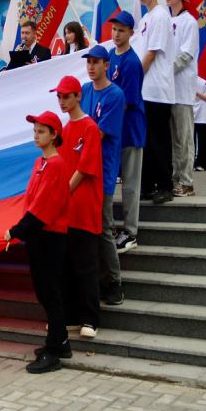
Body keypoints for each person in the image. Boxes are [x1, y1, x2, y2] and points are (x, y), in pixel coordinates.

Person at [4, 111, 69, 374]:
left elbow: (42, 209)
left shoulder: (55, 165)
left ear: (54, 135)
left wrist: (16, 230)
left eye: (41, 131)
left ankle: (54, 352)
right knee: (45, 292)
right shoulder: (40, 163)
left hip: (49, 236)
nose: (36, 135)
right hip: (38, 236)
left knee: (50, 293)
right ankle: (60, 342)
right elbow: (31, 201)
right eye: (35, 131)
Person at [52, 76, 102, 339]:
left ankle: (91, 318)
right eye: (59, 97)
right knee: (67, 265)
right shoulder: (63, 129)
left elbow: (84, 169)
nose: (62, 101)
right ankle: (71, 315)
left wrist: (62, 193)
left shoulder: (89, 128)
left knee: (86, 264)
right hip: (66, 209)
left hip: (84, 207)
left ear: (78, 96)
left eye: (66, 96)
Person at [80, 45, 125, 306]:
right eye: (88, 62)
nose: (91, 66)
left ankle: (116, 282)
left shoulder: (115, 95)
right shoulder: (84, 91)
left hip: (103, 171)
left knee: (104, 227)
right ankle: (95, 280)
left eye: (96, 62)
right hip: (82, 169)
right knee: (86, 229)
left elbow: (96, 134)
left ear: (107, 65)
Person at [133, 0, 175, 204]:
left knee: (159, 139)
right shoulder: (147, 18)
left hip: (157, 88)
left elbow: (151, 53)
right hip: (147, 89)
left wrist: (135, 77)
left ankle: (166, 185)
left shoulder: (160, 15)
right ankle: (148, 184)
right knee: (147, 140)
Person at [107, 11, 145, 254]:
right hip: (113, 128)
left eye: (121, 30)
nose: (116, 34)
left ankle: (130, 232)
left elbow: (127, 101)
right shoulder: (110, 55)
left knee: (130, 183)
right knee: (109, 178)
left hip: (129, 128)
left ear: (131, 33)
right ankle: (109, 227)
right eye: (114, 29)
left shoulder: (132, 62)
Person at [164, 0, 199, 197]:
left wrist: (163, 70)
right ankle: (174, 179)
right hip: (167, 89)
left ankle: (187, 182)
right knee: (172, 138)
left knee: (184, 138)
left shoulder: (190, 22)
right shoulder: (166, 21)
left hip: (183, 89)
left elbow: (186, 55)